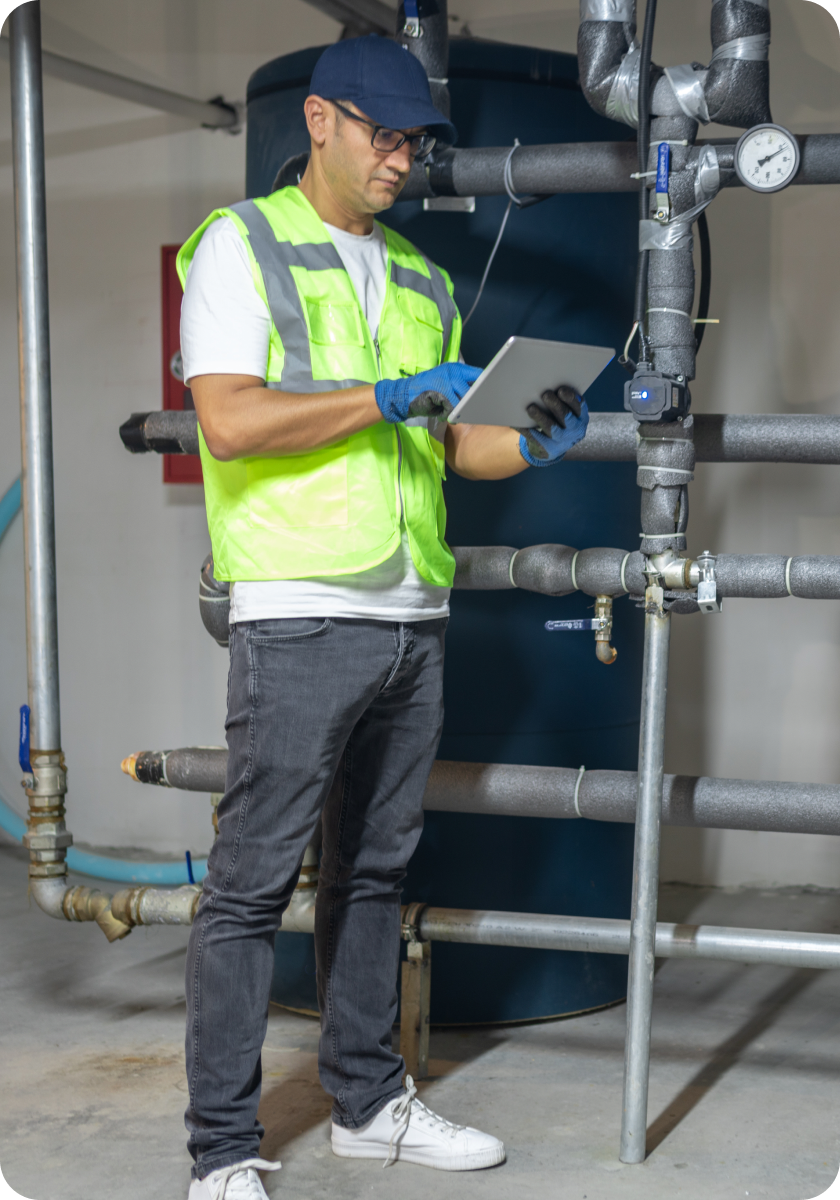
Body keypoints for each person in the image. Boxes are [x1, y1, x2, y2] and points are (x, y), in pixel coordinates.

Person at [178, 33, 588, 1200]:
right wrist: (384, 397)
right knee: (252, 886)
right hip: (300, 610)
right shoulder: (241, 247)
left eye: (416, 140)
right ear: (319, 121)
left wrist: (536, 436)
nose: (403, 158)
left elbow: (457, 441)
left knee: (373, 873)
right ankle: (219, 1154)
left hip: (412, 609)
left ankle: (366, 1103)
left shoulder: (416, 276)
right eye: (384, 133)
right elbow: (233, 423)